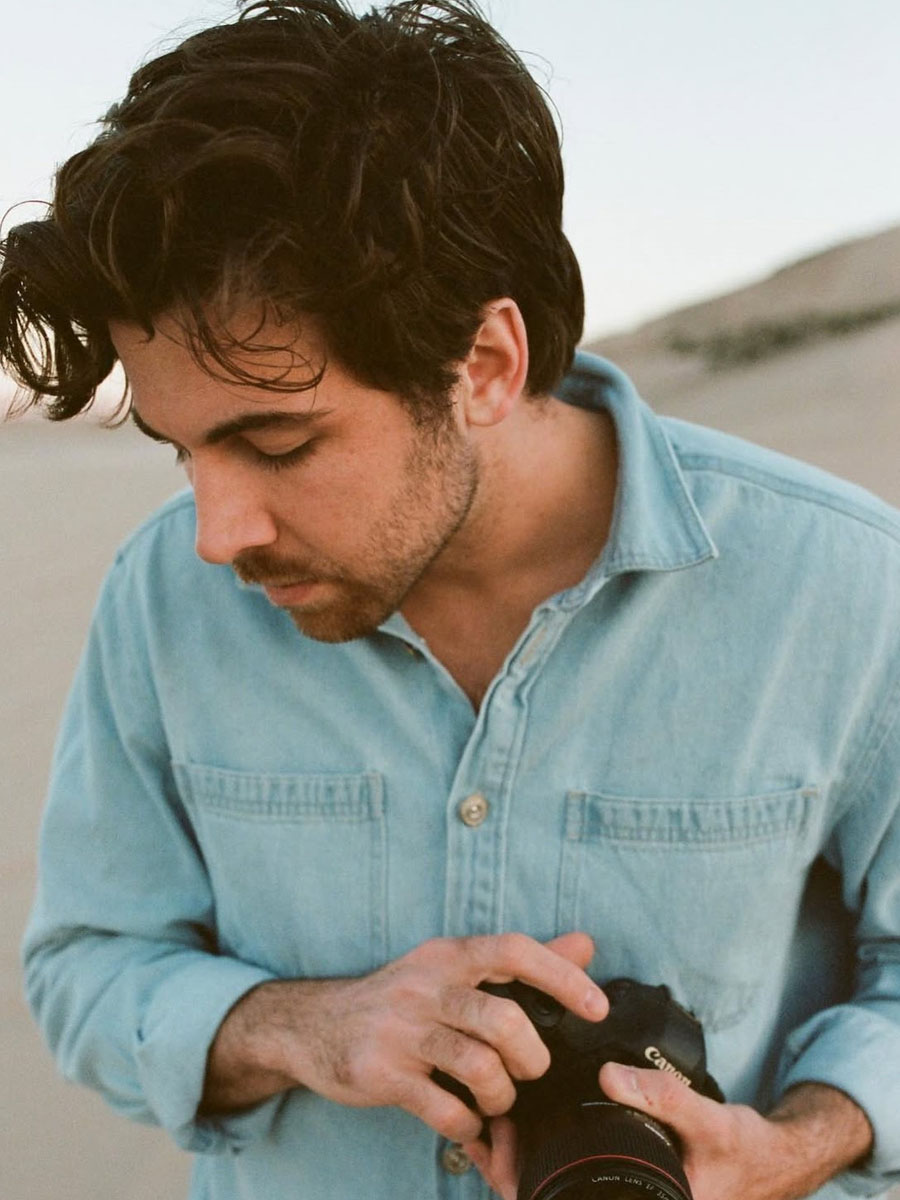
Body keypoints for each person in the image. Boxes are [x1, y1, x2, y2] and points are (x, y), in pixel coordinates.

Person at [4, 2, 900, 1198]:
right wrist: (307, 1027)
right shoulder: (163, 601)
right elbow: (85, 964)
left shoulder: (843, 587)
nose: (217, 535)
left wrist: (802, 1143)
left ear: (483, 364)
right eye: (182, 450)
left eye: (276, 442)